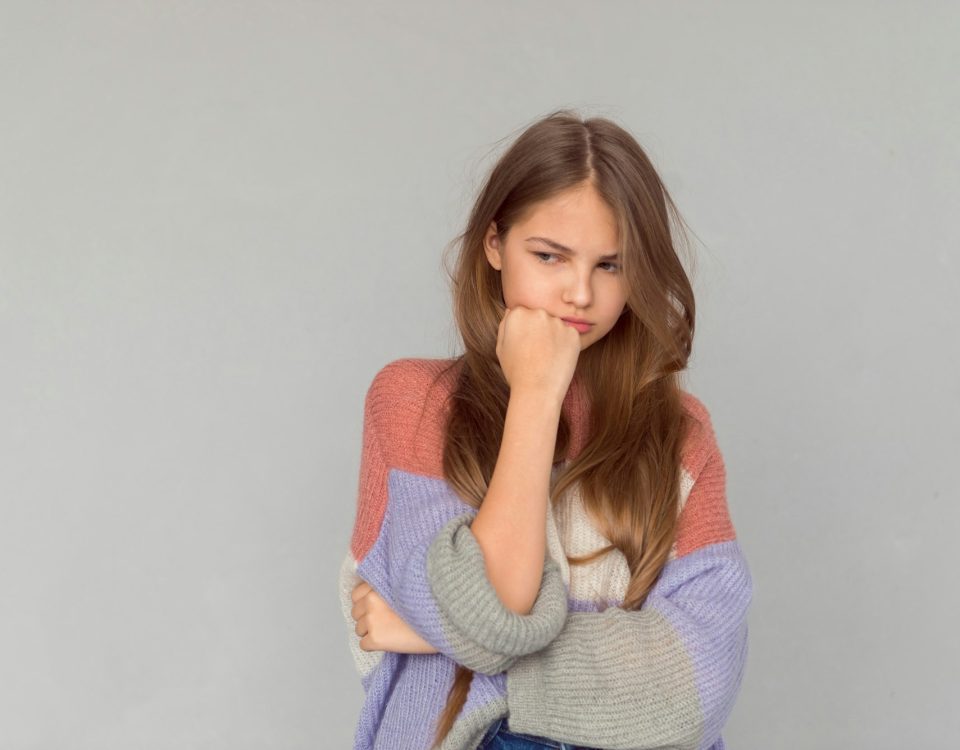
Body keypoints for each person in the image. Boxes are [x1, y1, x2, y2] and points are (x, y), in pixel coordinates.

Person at [336, 109, 752, 750]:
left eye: (610, 266)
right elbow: (490, 614)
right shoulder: (413, 404)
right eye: (550, 256)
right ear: (495, 245)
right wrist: (536, 393)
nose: (579, 294)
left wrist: (440, 638)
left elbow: (696, 687)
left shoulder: (679, 436)